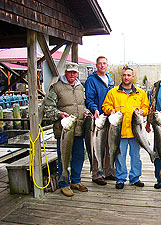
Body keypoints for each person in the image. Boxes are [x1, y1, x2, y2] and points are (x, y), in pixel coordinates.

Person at [44, 62, 89, 197]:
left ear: (77, 74)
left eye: (74, 72)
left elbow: (82, 105)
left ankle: (76, 180)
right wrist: (59, 114)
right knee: (63, 157)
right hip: (63, 130)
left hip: (79, 129)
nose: (72, 75)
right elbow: (48, 108)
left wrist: (86, 112)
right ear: (65, 72)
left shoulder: (81, 87)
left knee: (79, 156)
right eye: (70, 72)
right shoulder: (56, 87)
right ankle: (64, 183)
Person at [102, 66, 150, 189]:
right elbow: (105, 106)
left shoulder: (141, 93)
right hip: (119, 132)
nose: (126, 77)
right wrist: (110, 110)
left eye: (129, 75)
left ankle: (135, 178)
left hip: (136, 133)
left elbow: (146, 108)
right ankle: (120, 178)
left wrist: (142, 112)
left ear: (132, 77)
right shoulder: (113, 92)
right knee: (119, 156)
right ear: (121, 76)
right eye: (124, 75)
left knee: (136, 156)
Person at [85, 56, 115, 186]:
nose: (102, 65)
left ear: (107, 65)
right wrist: (94, 109)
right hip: (98, 117)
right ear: (96, 65)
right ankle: (96, 174)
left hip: (110, 116)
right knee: (97, 145)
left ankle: (108, 171)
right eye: (100, 64)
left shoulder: (110, 78)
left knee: (109, 144)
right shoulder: (91, 80)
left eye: (104, 63)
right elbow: (89, 99)